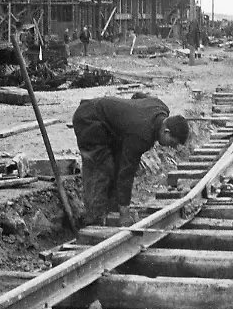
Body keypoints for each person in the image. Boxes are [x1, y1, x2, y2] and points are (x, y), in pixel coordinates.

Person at [72, 95, 189, 227]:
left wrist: (128, 117)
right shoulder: (141, 136)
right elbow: (126, 173)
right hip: (89, 120)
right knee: (101, 168)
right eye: (172, 143)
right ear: (166, 132)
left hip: (106, 125)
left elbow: (138, 96)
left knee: (116, 163)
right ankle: (93, 219)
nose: (171, 147)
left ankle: (112, 209)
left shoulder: (161, 107)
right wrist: (125, 214)